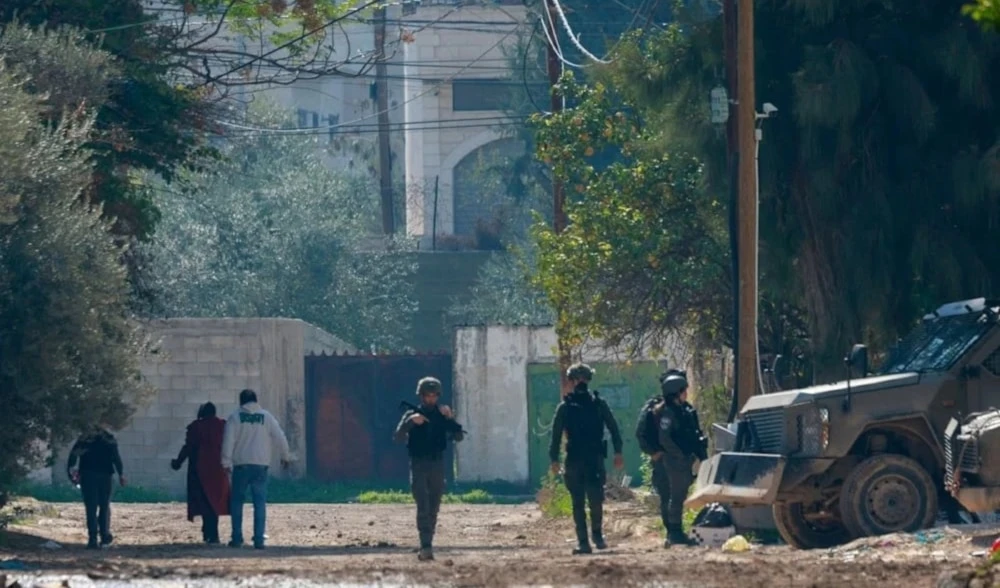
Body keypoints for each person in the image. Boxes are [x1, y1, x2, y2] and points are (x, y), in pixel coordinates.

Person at [549, 363, 624, 555]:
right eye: (578, 379)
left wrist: (618, 452)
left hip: (593, 458)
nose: (581, 382)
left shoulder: (599, 404)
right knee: (578, 501)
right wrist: (554, 459)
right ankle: (583, 541)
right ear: (573, 381)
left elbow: (614, 428)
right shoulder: (565, 407)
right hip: (575, 459)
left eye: (584, 379)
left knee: (596, 498)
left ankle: (597, 535)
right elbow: (556, 435)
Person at [393, 376, 464, 562]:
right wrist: (411, 422)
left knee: (433, 506)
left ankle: (427, 541)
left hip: (437, 464)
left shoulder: (442, 414)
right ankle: (426, 545)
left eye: (434, 395)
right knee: (422, 505)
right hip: (418, 464)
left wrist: (450, 417)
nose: (431, 399)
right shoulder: (412, 414)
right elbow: (398, 437)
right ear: (421, 396)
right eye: (427, 395)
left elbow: (458, 436)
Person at [221, 389, 292, 549]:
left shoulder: (235, 417)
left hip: (241, 466)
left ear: (241, 401)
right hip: (261, 466)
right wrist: (285, 456)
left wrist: (225, 462)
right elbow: (280, 436)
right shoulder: (266, 417)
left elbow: (228, 441)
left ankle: (237, 537)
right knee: (259, 502)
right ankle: (259, 539)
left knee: (237, 502)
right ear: (255, 400)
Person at [650, 372, 707, 547]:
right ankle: (674, 532)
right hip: (675, 461)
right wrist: (679, 454)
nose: (686, 394)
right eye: (683, 391)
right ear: (676, 392)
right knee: (676, 497)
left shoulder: (683, 410)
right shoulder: (668, 413)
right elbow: (665, 438)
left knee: (680, 495)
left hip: (684, 460)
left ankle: (677, 531)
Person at [172, 402, 231, 544]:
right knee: (214, 500)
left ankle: (208, 532)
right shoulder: (223, 425)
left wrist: (178, 462)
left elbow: (188, 447)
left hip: (200, 469)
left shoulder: (196, 427)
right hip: (219, 469)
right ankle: (213, 533)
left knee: (205, 501)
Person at [66, 424, 126, 550]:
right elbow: (116, 458)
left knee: (91, 507)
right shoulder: (109, 439)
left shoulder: (85, 438)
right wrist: (121, 474)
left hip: (88, 476)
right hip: (105, 476)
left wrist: (71, 473)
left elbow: (73, 456)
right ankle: (104, 536)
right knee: (104, 506)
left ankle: (92, 539)